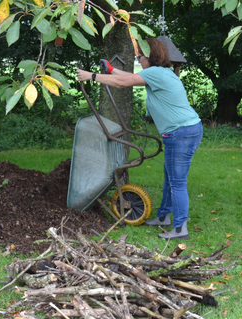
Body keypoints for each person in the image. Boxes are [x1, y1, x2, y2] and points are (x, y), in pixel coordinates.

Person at [76, 38, 203, 240]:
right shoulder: (160, 73)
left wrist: (91, 76)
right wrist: (110, 70)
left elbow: (122, 83)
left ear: (150, 56)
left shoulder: (156, 73)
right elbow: (130, 77)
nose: (138, 59)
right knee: (170, 178)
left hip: (181, 133)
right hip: (184, 131)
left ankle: (180, 229)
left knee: (177, 182)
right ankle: (164, 217)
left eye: (140, 56)